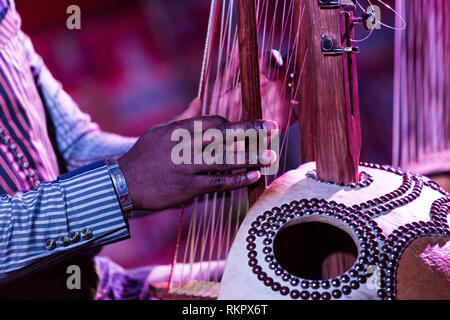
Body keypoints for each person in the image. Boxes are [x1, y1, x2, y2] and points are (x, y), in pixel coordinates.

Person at [0, 1, 292, 299]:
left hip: (89, 285)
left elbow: (74, 150)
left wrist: (195, 147)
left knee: (293, 279)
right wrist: (124, 183)